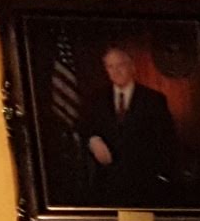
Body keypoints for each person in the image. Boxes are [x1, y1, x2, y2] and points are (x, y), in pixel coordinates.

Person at [74, 44, 182, 204]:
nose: (115, 71)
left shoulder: (154, 100)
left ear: (132, 67)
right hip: (106, 186)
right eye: (110, 66)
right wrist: (93, 140)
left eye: (120, 65)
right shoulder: (96, 100)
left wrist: (161, 175)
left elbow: (167, 140)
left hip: (145, 185)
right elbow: (84, 127)